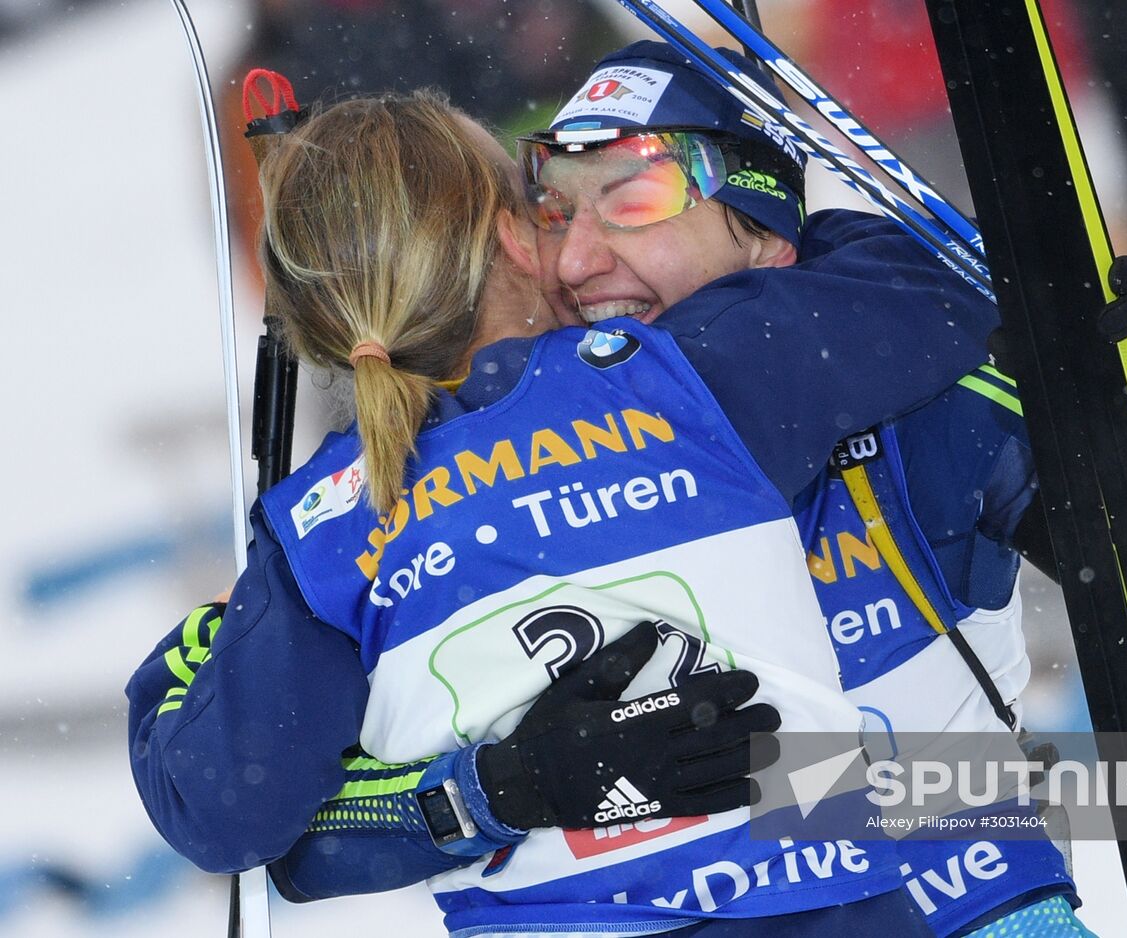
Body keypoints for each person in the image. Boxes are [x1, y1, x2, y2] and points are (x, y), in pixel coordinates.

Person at [258, 42, 1127, 938]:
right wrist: (500, 784)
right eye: (550, 208)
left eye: (631, 196)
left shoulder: (921, 395)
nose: (575, 258)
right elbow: (291, 823)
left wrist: (1125, 428)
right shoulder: (494, 474)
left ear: (767, 230)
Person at [126, 82, 1009, 936]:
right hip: (824, 909)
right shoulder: (677, 376)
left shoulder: (323, 528)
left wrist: (192, 657)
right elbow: (932, 284)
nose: (576, 253)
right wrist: (774, 226)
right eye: (544, 206)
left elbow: (225, 812)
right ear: (513, 239)